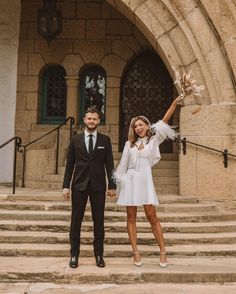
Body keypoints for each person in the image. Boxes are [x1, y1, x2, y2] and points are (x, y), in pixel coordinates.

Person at [114, 97, 180, 268]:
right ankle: (135, 252)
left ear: (147, 125)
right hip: (130, 182)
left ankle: (163, 251)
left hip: (146, 183)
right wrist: (115, 185)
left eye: (141, 125)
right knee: (131, 218)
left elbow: (164, 121)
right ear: (133, 129)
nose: (138, 128)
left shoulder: (153, 140)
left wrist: (173, 104)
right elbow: (122, 167)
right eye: (136, 126)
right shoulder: (129, 144)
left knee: (152, 217)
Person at [62, 107, 116, 269]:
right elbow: (69, 165)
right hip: (79, 185)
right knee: (75, 222)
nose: (92, 121)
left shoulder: (105, 140)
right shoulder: (75, 140)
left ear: (98, 121)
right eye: (89, 118)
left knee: (98, 221)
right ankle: (74, 255)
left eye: (95, 119)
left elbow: (110, 165)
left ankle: (99, 255)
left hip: (98, 187)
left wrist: (112, 185)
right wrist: (66, 186)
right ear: (84, 120)